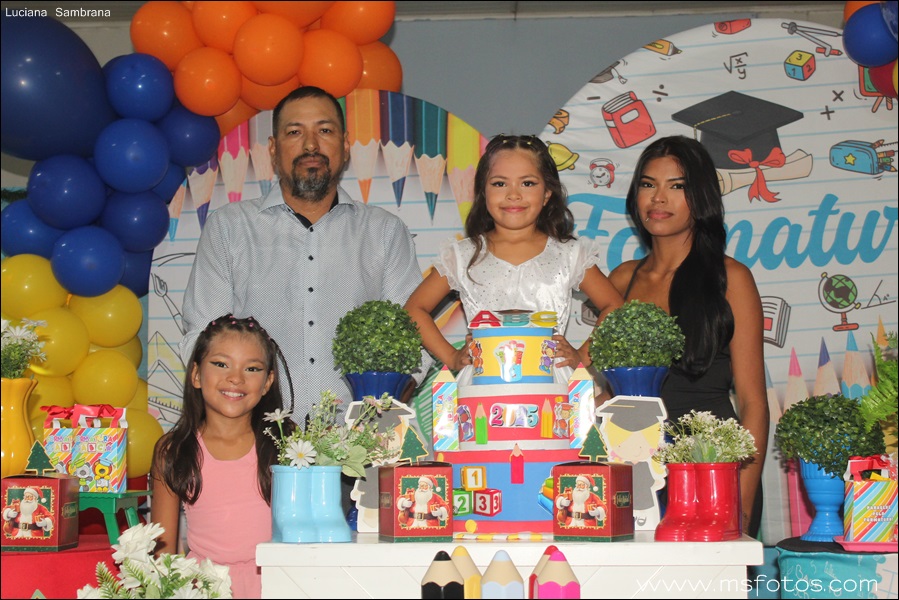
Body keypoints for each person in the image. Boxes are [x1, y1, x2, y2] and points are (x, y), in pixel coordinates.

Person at [179, 86, 429, 426]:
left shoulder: (385, 231)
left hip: (361, 440)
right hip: (254, 440)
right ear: (273, 148)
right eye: (295, 132)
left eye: (324, 131)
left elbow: (415, 340)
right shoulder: (229, 228)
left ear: (345, 145)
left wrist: (375, 420)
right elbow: (202, 338)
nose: (311, 145)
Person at [608, 135, 769, 537]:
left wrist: (741, 503)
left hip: (711, 472)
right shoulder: (621, 280)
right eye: (648, 184)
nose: (658, 198)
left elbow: (753, 402)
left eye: (676, 186)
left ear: (701, 197)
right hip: (635, 471)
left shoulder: (731, 279)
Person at [404, 134, 624, 378]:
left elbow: (615, 306)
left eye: (527, 183)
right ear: (483, 191)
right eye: (500, 184)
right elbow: (414, 309)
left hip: (551, 385)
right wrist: (451, 356)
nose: (513, 194)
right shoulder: (462, 255)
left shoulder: (570, 254)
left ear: (547, 193)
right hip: (482, 385)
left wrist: (582, 356)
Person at [152, 315, 292, 599]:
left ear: (267, 382)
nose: (236, 378)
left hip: (278, 586)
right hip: (202, 590)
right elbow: (163, 552)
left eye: (252, 368)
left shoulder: (287, 440)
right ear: (196, 374)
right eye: (221, 364)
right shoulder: (173, 449)